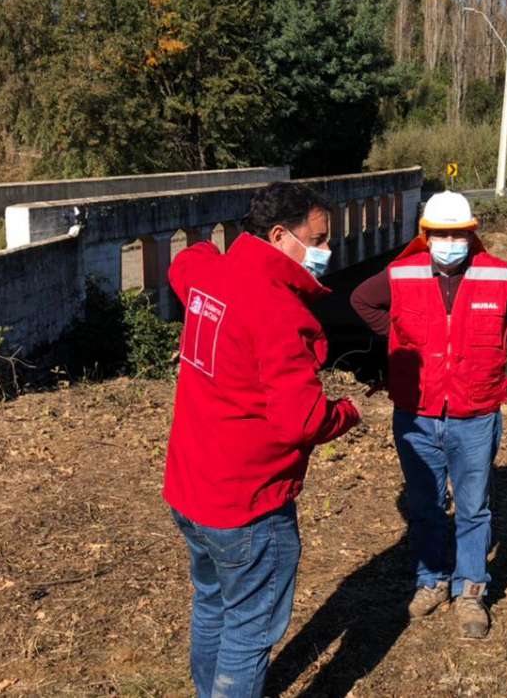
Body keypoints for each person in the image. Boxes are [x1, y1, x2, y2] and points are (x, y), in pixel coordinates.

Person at [163, 182, 361, 698]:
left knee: (211, 602)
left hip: (191, 487)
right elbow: (303, 421)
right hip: (247, 502)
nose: (326, 251)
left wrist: (214, 245)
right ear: (279, 235)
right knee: (250, 629)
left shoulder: (211, 276)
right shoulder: (279, 310)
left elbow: (184, 263)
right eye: (317, 239)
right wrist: (347, 413)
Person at [350, 190, 507, 638]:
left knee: (473, 508)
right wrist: (399, 338)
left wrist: (500, 342)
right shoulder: (400, 273)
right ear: (425, 236)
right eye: (440, 234)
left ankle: (471, 592)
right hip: (416, 412)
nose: (449, 241)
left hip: (475, 410)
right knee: (425, 505)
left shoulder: (498, 275)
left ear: (470, 234)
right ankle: (431, 580)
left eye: (457, 234)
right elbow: (362, 302)